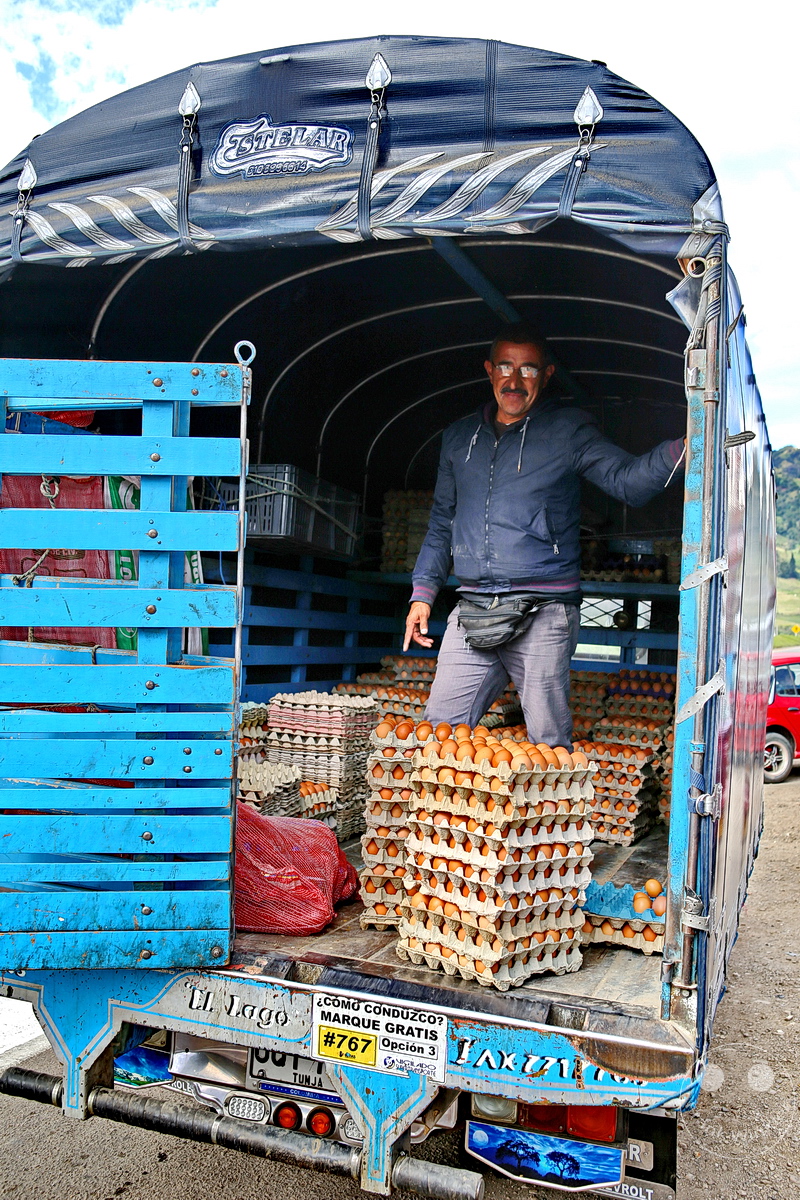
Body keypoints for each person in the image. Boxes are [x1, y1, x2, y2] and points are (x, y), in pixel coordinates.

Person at [403, 324, 685, 746]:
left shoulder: (567, 432)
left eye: (528, 370)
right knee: (437, 736)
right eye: (504, 367)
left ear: (547, 375)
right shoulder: (459, 438)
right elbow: (442, 521)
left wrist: (683, 446)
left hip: (543, 611)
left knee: (548, 747)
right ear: (489, 370)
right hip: (473, 608)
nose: (514, 381)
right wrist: (422, 594)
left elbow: (627, 481)